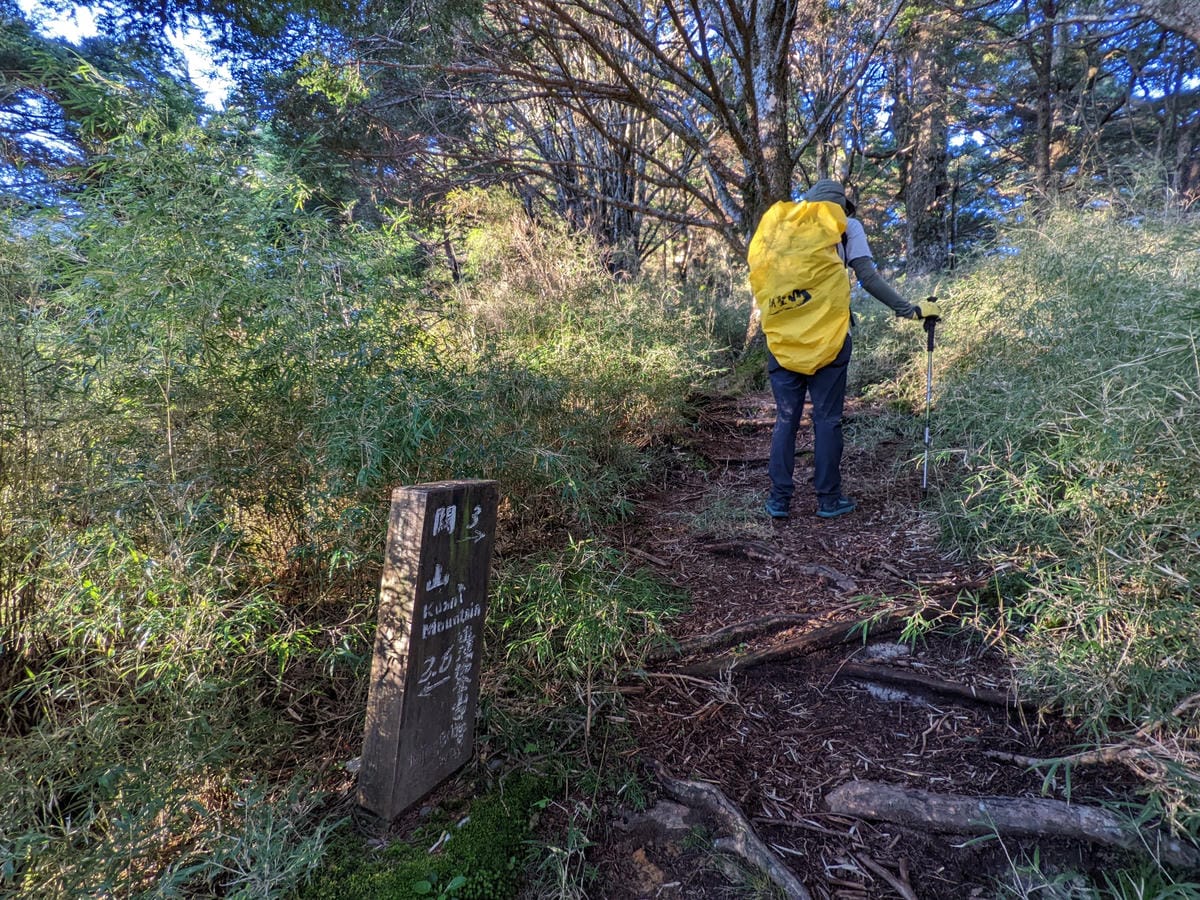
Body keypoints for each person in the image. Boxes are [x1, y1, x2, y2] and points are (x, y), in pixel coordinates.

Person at [747, 178, 941, 520]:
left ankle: (779, 500)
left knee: (786, 419)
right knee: (827, 419)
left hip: (782, 340)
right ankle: (828, 499)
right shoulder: (847, 225)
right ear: (842, 205)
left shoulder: (780, 227)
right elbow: (867, 277)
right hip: (829, 340)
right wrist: (908, 309)